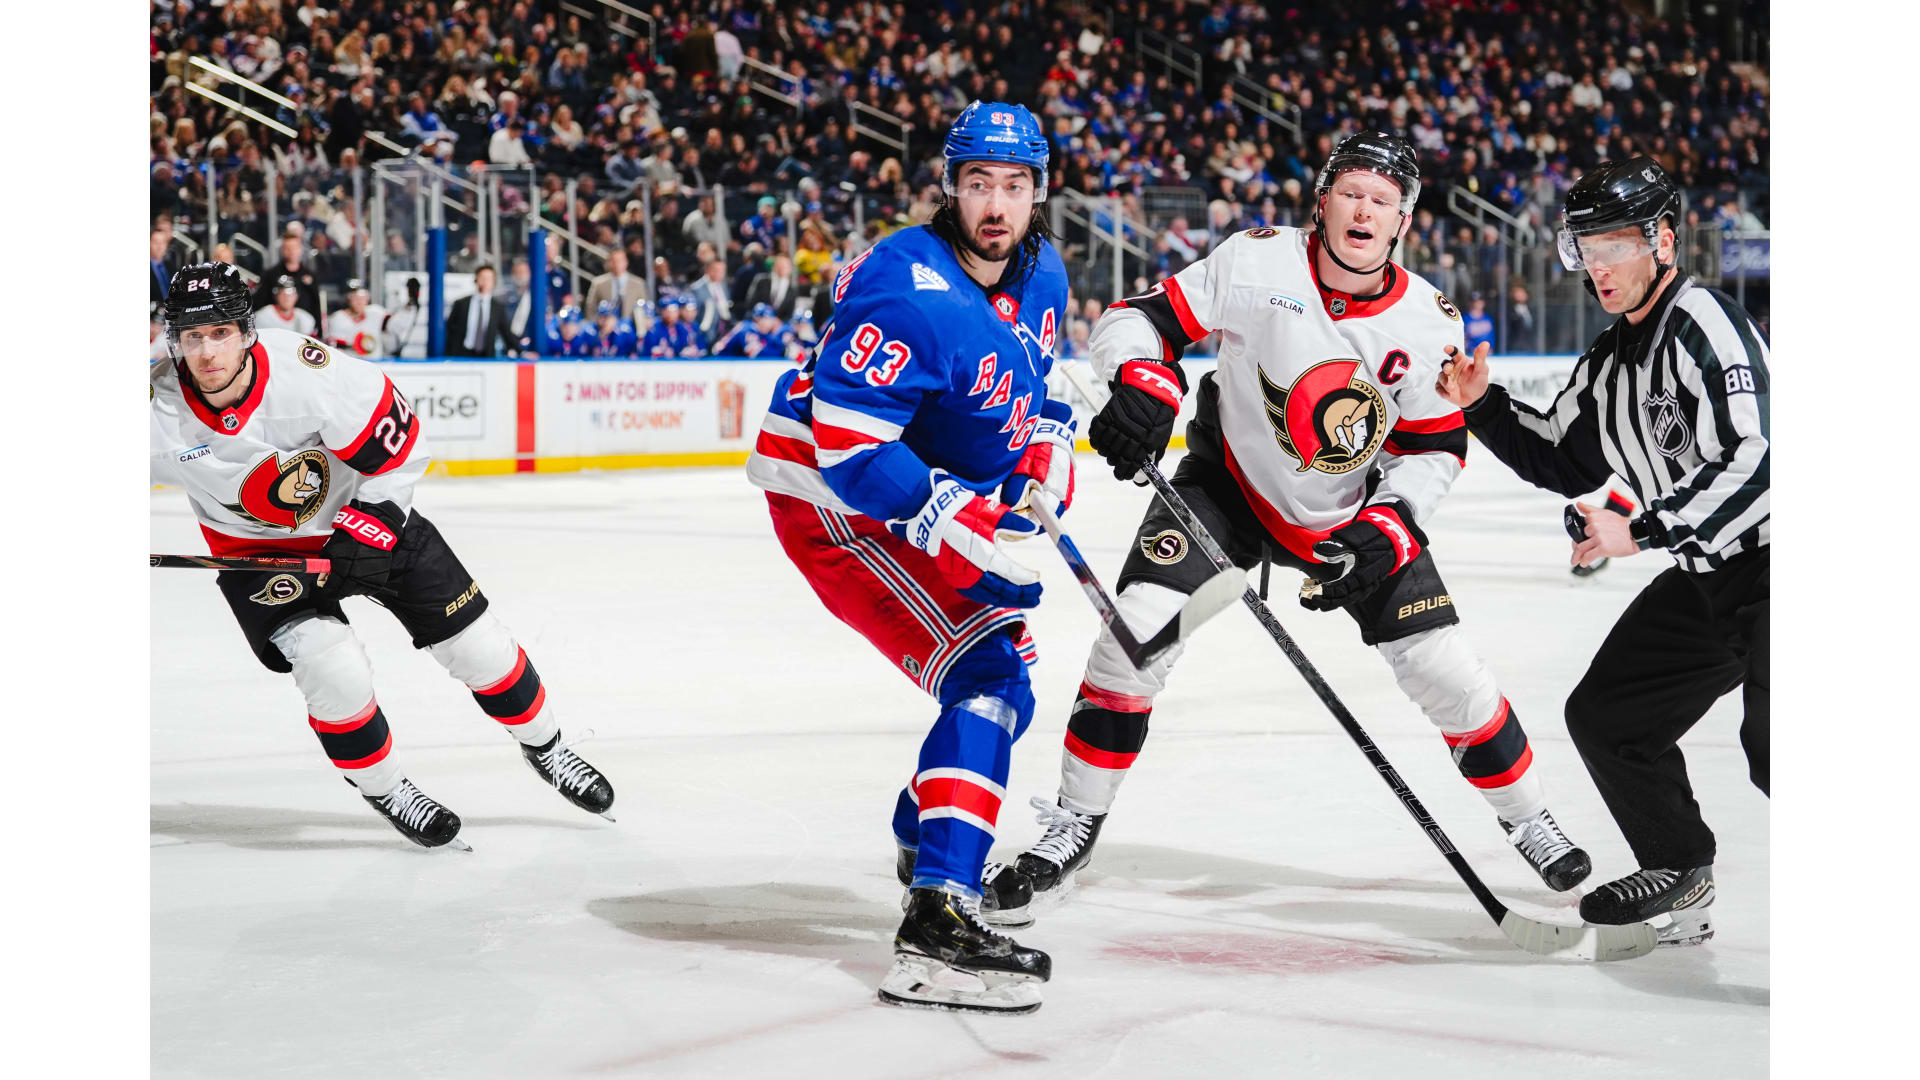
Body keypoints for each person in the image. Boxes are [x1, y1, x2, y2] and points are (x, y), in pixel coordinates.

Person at [1008, 131, 1594, 917]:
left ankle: (1532, 820)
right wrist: (1142, 382)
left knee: (1446, 672)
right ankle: (1075, 819)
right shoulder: (1257, 261)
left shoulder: (1428, 324)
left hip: (1348, 514)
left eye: (1382, 201)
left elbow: (1434, 449)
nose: (1364, 210)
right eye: (1350, 192)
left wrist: (1389, 527)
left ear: (1402, 222)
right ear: (1322, 202)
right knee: (1133, 639)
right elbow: (1141, 318)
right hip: (1227, 488)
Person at [743, 102, 1069, 1014]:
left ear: (1039, 193)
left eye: (1014, 186)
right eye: (978, 184)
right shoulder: (905, 285)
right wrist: (959, 520)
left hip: (913, 489)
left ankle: (926, 836)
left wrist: (1044, 460)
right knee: (989, 677)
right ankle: (936, 924)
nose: (996, 205)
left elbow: (1038, 393)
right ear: (949, 187)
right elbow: (850, 446)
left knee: (1009, 683)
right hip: (834, 501)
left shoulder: (1042, 271)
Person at [149, 263, 615, 850]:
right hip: (260, 553)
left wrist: (369, 525)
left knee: (479, 647)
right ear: (175, 340)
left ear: (246, 331)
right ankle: (388, 789)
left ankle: (547, 747)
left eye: (220, 333)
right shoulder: (154, 406)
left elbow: (401, 447)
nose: (207, 351)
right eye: (192, 336)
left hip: (366, 517)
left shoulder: (309, 374)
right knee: (333, 669)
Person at [1437, 157, 1769, 947]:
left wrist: (1642, 529)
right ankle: (1680, 871)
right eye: (1585, 249)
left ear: (1663, 240)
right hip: (1709, 577)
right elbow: (1561, 456)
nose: (1599, 267)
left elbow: (1761, 460)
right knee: (1610, 715)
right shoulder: (1609, 360)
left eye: (1615, 245)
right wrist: (1480, 405)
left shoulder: (1704, 321)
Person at [252, 233, 322, 323]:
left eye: (294, 247)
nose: (291, 251)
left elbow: (316, 304)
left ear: (301, 249)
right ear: (282, 250)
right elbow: (259, 302)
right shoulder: (271, 275)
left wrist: (318, 328)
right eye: (287, 248)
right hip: (276, 325)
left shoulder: (310, 276)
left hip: (304, 326)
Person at [445, 266, 511, 357]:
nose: (485, 282)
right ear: (476, 279)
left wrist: (521, 352)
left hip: (487, 356)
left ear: (493, 282)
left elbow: (506, 332)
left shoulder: (498, 307)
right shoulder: (461, 304)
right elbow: (450, 329)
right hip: (462, 354)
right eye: (482, 278)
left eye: (488, 279)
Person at [325, 279, 388, 358]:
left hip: (376, 362)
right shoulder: (338, 318)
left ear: (367, 299)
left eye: (362, 298)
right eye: (355, 298)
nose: (359, 302)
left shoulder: (376, 313)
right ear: (348, 300)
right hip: (350, 362)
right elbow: (334, 347)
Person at [711, 303, 797, 359]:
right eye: (766, 319)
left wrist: (785, 348)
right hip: (718, 361)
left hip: (727, 362)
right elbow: (756, 354)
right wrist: (782, 352)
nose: (769, 323)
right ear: (758, 319)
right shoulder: (748, 329)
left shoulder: (760, 331)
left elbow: (773, 343)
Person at [584, 248, 646, 317]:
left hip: (631, 322)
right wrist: (599, 322)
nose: (617, 264)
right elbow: (590, 308)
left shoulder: (638, 283)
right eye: (613, 261)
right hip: (606, 322)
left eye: (620, 260)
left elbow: (644, 307)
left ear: (626, 262)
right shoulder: (598, 283)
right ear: (608, 263)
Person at [254, 275, 319, 336]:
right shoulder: (261, 317)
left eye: (290, 294)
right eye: (283, 293)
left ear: (296, 296)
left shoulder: (307, 319)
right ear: (276, 295)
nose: (287, 298)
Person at [746, 253, 801, 321]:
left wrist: (777, 322)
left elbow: (790, 314)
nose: (783, 268)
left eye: (786, 266)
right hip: (758, 321)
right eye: (780, 265)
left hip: (779, 325)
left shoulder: (791, 290)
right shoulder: (762, 281)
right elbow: (750, 304)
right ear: (774, 266)